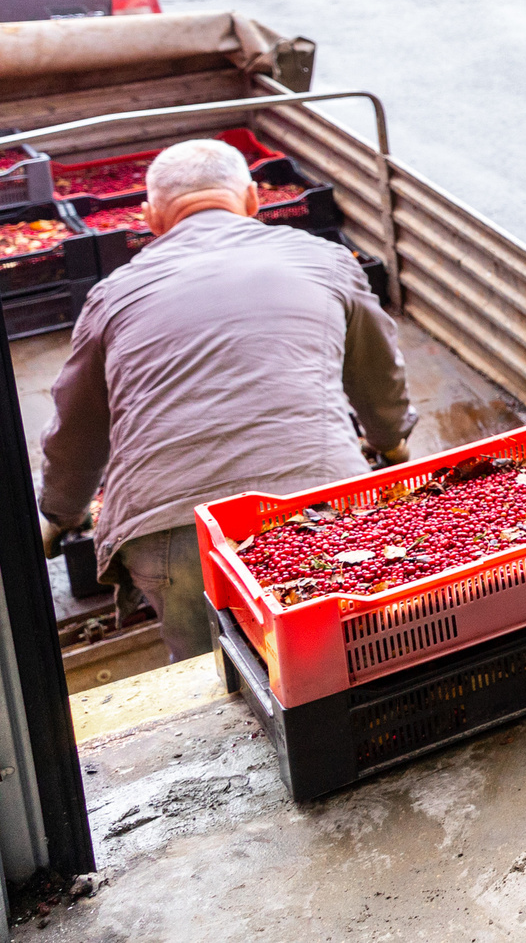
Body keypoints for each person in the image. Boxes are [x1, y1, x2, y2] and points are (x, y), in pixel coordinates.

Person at [37, 139, 410, 661]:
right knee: (344, 655)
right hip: (319, 499)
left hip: (172, 529)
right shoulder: (323, 259)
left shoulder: (112, 294)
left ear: (149, 218)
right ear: (254, 200)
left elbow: (77, 427)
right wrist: (392, 446)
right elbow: (377, 373)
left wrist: (60, 515)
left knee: (215, 685)